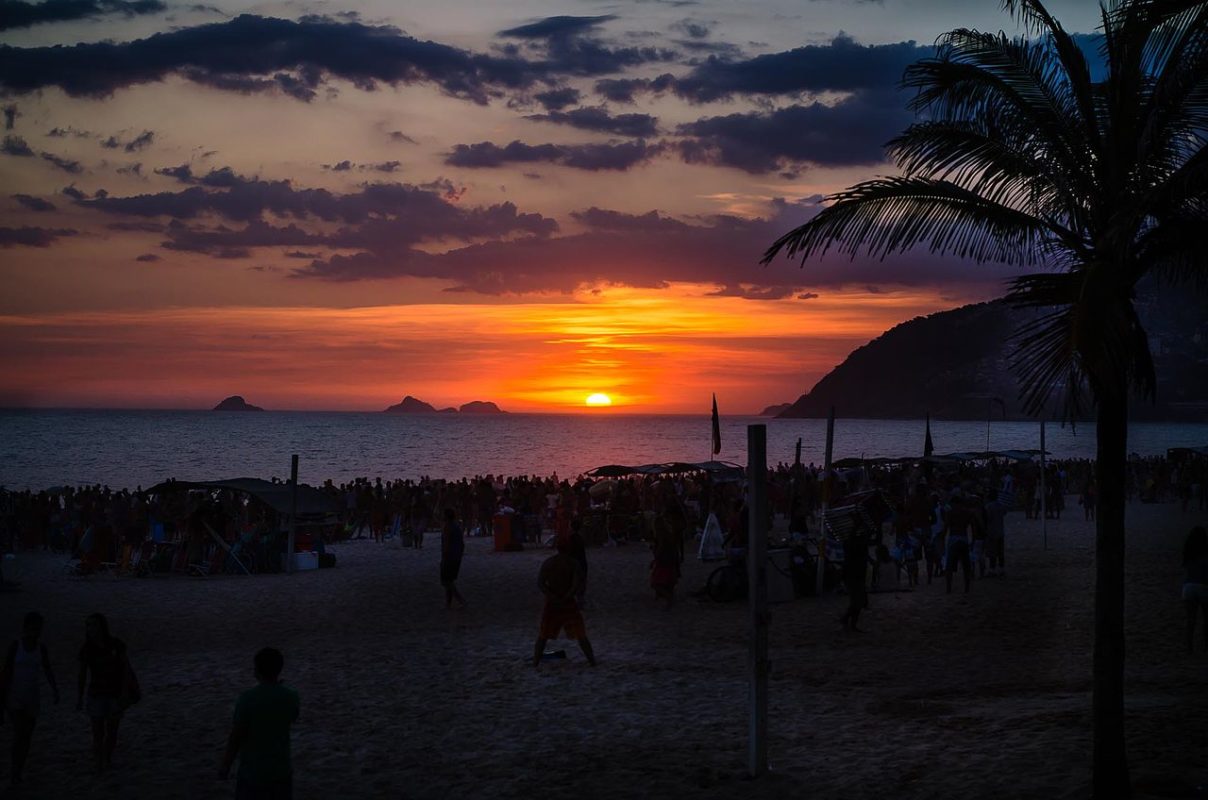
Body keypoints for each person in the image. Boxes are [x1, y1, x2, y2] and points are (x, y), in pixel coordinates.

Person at [220, 647, 300, 799]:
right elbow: (293, 717)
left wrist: (226, 765)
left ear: (257, 670)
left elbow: (236, 736)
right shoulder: (291, 696)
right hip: (281, 770)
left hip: (253, 772)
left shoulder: (247, 699)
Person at [1, 612, 59, 786]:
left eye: (39, 628)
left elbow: (47, 669)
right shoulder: (15, 646)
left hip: (32, 697)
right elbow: (6, 671)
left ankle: (18, 771)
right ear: (25, 628)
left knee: (27, 737)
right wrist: (2, 696)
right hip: (15, 696)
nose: (37, 631)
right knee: (20, 734)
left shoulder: (41, 648)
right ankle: (14, 773)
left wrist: (54, 689)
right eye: (34, 627)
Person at [77, 613, 132, 772]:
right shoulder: (87, 649)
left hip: (114, 693)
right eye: (88, 625)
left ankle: (106, 758)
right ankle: (99, 761)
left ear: (102, 626)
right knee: (97, 732)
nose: (90, 629)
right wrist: (80, 696)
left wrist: (125, 691)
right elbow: (82, 674)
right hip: (96, 693)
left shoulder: (115, 644)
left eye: (93, 625)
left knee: (112, 730)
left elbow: (126, 668)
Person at [533, 542, 595, 668]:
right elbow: (576, 583)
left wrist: (551, 595)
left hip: (552, 602)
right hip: (568, 602)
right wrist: (568, 595)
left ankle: (536, 661)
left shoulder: (549, 562)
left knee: (543, 635)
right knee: (581, 634)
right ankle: (592, 661)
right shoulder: (573, 563)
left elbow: (540, 583)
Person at [943, 495, 980, 594]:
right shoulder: (968, 513)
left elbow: (946, 527)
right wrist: (973, 540)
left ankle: (948, 588)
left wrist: (942, 539)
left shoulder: (950, 513)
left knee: (949, 565)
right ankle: (967, 588)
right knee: (966, 565)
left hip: (953, 538)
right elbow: (974, 527)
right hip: (964, 538)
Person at [1182, 526, 1208, 655]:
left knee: (1190, 620)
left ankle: (1189, 647)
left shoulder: (1188, 554)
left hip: (1188, 587)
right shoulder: (1205, 554)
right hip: (1203, 586)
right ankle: (1205, 647)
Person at [440, 508, 466, 609]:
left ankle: (460, 600)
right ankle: (448, 603)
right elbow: (462, 544)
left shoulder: (447, 527)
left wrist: (444, 557)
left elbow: (446, 544)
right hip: (457, 556)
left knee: (446, 581)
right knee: (449, 580)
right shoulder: (457, 527)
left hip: (449, 556)